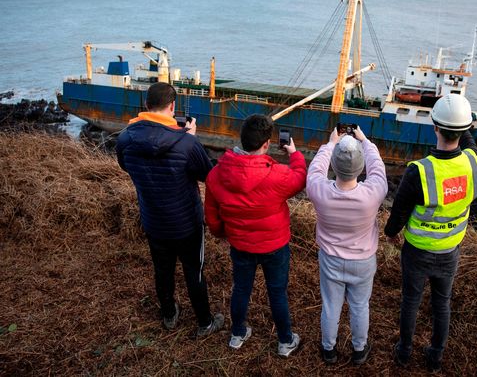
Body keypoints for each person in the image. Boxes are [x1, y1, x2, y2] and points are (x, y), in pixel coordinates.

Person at [384, 94, 477, 372]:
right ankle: (435, 356)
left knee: (411, 301)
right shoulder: (473, 163)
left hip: (417, 250)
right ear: (464, 130)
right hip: (450, 249)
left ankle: (404, 353)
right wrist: (463, 123)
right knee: (442, 303)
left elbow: (400, 212)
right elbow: (471, 146)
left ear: (435, 127)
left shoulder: (420, 171)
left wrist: (390, 233)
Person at [116, 82, 224, 337]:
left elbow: (126, 166)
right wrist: (191, 140)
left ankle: (169, 314)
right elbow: (208, 174)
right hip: (186, 222)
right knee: (193, 271)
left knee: (162, 269)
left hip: (153, 220)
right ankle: (205, 322)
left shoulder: (125, 138)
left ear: (146, 106)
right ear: (173, 106)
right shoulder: (186, 143)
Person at [204, 114, 306, 357]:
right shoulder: (278, 175)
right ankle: (285, 341)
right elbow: (301, 178)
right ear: (266, 144)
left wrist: (223, 234)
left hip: (240, 244)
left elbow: (212, 218)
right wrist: (294, 153)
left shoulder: (216, 175)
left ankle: (237, 334)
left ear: (242, 139)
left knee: (241, 289)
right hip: (275, 245)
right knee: (277, 292)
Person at [306, 126, 388, 365]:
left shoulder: (318, 190)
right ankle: (359, 350)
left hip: (330, 259)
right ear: (360, 168)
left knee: (331, 306)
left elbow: (315, 169)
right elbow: (378, 168)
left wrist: (331, 144)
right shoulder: (373, 193)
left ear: (334, 166)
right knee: (360, 305)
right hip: (363, 261)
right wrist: (364, 141)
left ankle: (328, 350)